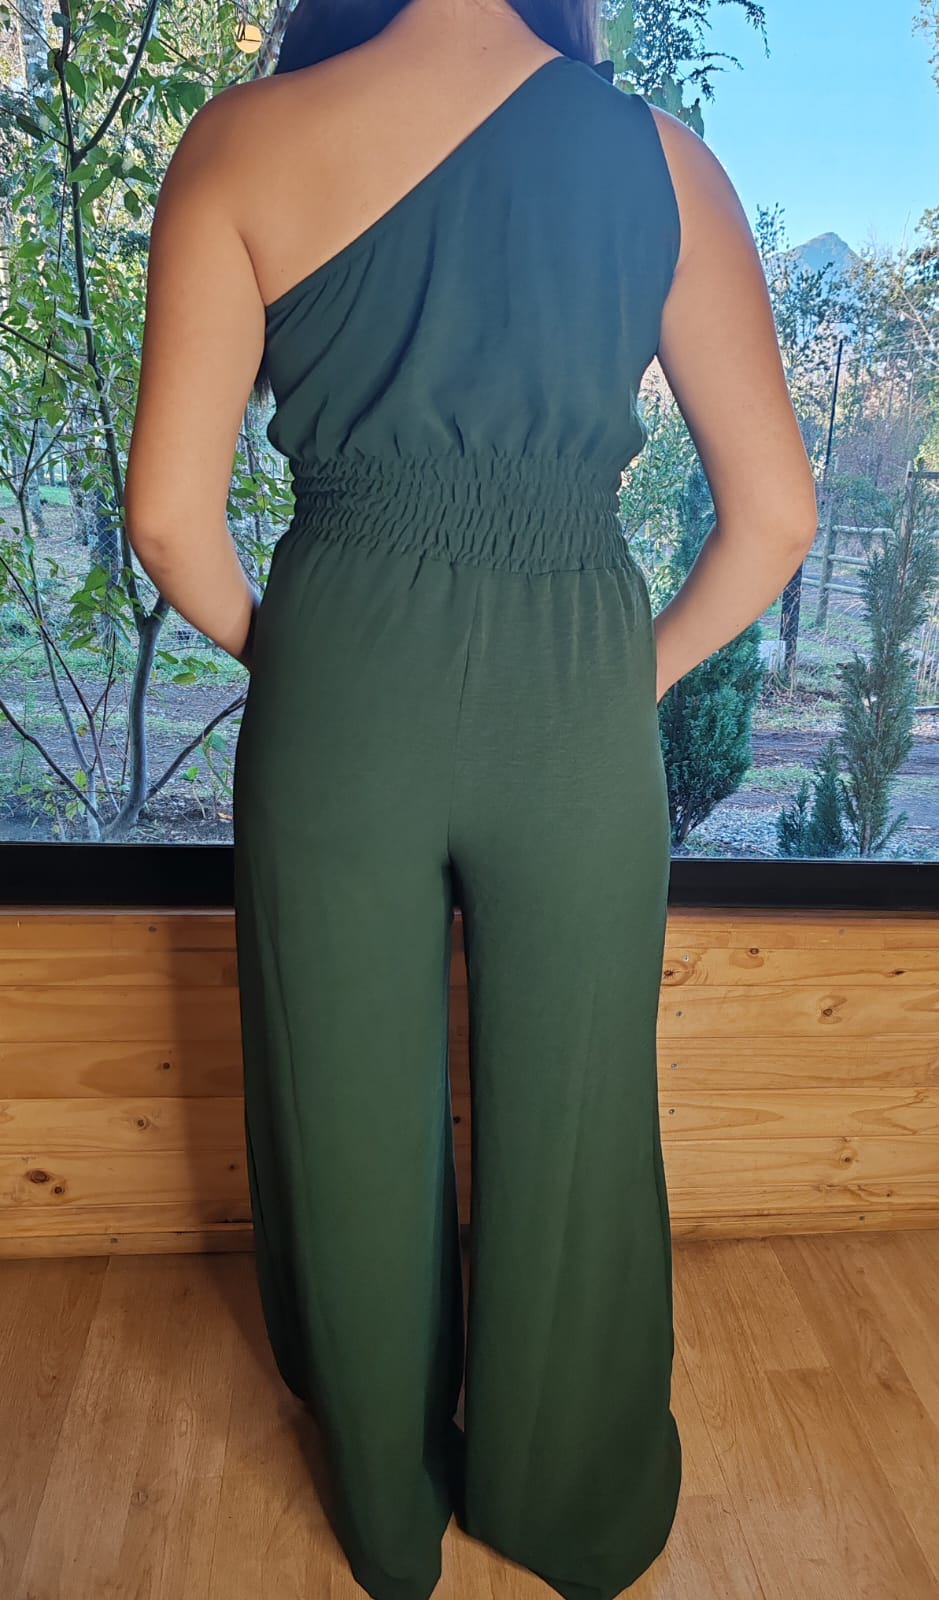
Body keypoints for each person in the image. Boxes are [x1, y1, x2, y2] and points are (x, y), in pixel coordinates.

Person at [123, 2, 818, 1598]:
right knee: (577, 1108)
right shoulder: (662, 162)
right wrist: (621, 679)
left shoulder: (240, 143)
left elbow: (168, 518)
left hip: (341, 678)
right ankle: (564, 1498)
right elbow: (777, 515)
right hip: (573, 682)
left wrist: (309, 660)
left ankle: (385, 1512)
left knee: (344, 1108)